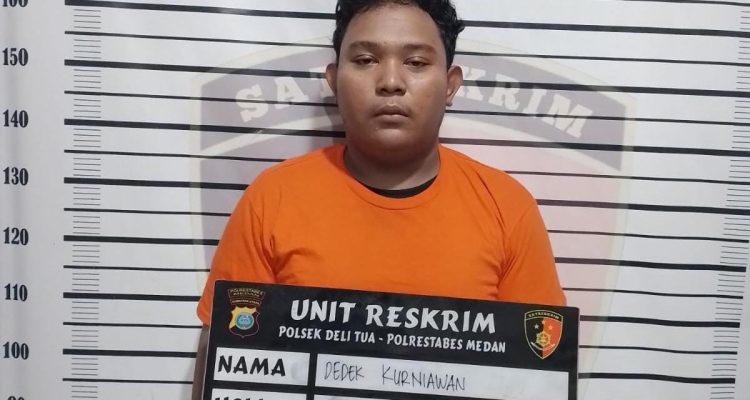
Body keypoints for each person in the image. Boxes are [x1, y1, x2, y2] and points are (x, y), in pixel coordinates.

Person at [192, 0, 565, 397]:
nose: (390, 81)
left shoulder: (507, 207)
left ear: (450, 83)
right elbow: (223, 357)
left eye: (416, 62)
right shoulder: (273, 198)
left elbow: (539, 370)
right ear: (334, 80)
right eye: (366, 60)